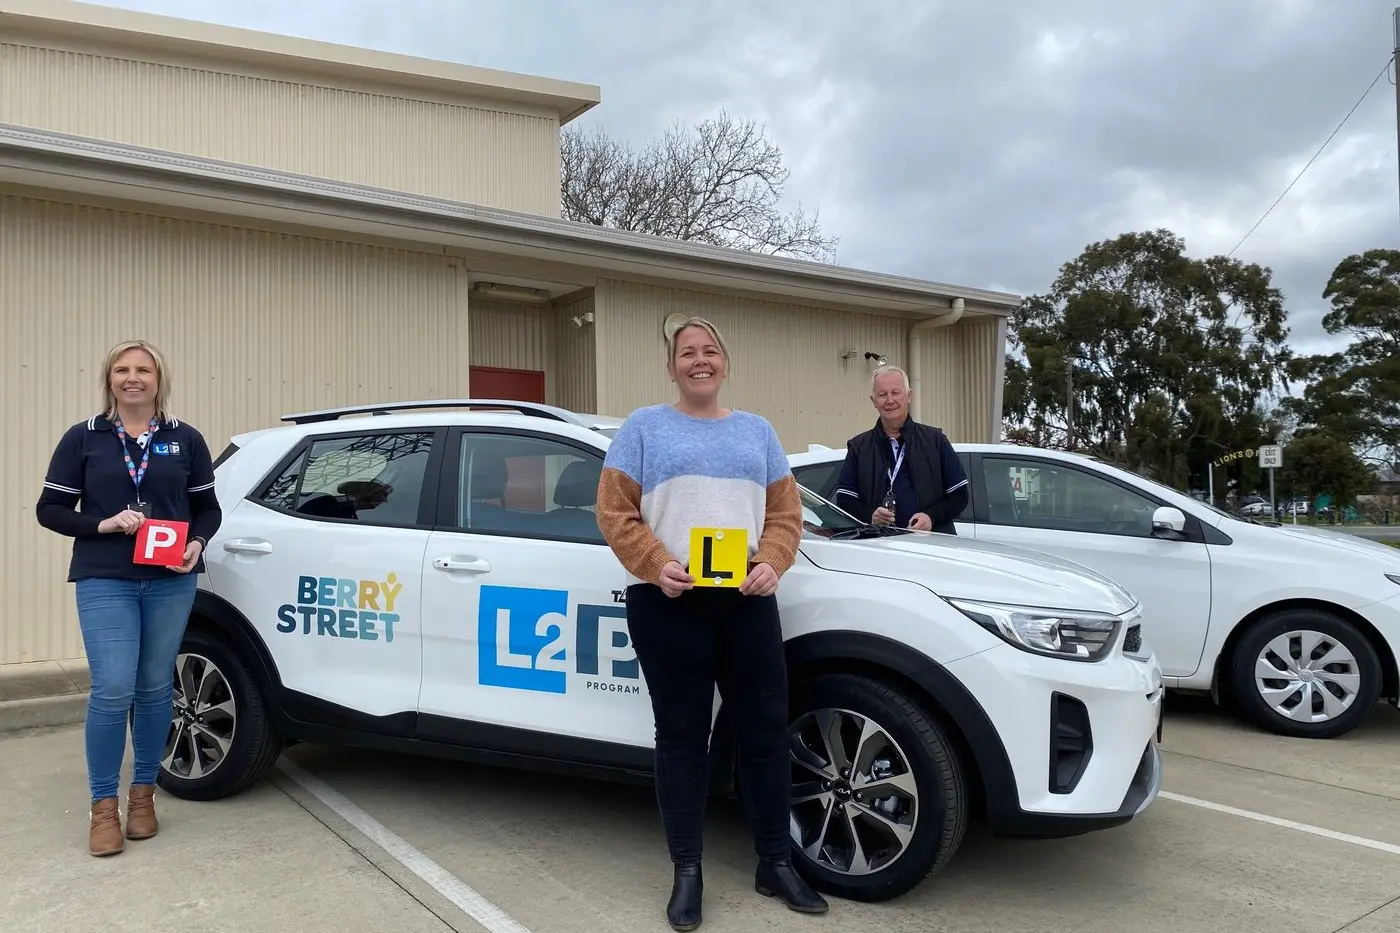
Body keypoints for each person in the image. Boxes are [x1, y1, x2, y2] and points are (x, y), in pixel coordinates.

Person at [596, 317, 827, 930]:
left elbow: (785, 515)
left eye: (711, 351)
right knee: (682, 737)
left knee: (764, 734)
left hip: (746, 602)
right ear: (671, 368)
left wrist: (774, 562)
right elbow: (614, 513)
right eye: (687, 353)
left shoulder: (759, 433)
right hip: (670, 602)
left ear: (725, 362)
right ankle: (688, 870)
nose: (700, 360)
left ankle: (775, 861)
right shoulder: (643, 427)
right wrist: (657, 563)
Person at [35, 339, 222, 858]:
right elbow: (49, 509)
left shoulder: (185, 439)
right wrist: (103, 523)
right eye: (122, 369)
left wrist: (197, 542)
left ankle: (143, 798)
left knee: (155, 686)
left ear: (159, 380)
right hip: (106, 575)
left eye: (144, 369)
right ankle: (102, 808)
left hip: (169, 578)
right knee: (114, 686)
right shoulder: (84, 438)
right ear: (110, 379)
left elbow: (208, 509)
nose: (132, 377)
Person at [833, 364, 969, 534]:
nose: (890, 400)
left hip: (932, 546)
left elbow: (960, 495)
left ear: (908, 395)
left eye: (895, 393)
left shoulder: (935, 440)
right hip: (879, 548)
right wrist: (870, 516)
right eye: (882, 394)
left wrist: (931, 517)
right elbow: (844, 499)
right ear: (873, 401)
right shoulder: (858, 447)